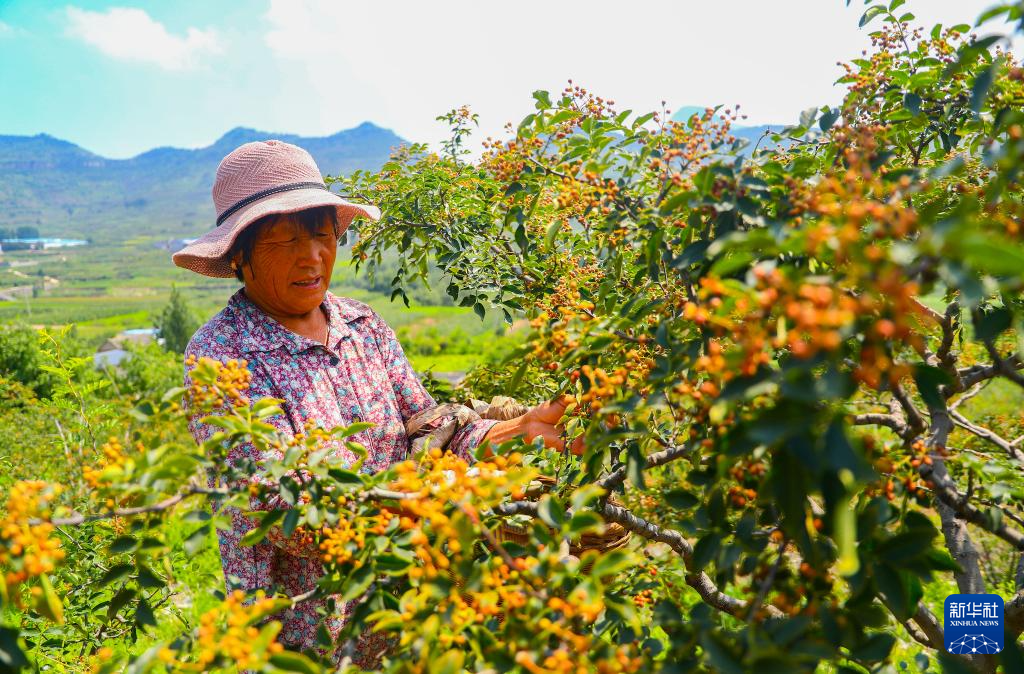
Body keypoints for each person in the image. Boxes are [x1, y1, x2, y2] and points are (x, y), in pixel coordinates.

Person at [171, 140, 577, 667]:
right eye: (284, 240)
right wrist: (435, 498)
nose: (312, 256)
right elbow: (281, 510)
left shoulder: (363, 327)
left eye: (322, 235)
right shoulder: (220, 356)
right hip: (303, 637)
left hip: (405, 614)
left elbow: (431, 431)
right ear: (239, 254)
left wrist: (517, 430)